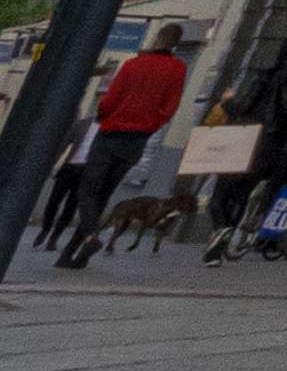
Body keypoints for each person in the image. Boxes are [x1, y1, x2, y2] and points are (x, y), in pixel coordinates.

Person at [52, 25, 189, 269]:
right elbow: (170, 108)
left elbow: (110, 99)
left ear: (157, 38)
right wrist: (149, 126)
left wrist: (105, 116)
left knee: (88, 191)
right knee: (104, 194)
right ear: (176, 43)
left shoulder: (134, 65)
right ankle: (74, 254)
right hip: (137, 141)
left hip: (111, 133)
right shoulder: (178, 69)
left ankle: (90, 237)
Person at [201, 34, 287, 263]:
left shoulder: (263, 76)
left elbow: (242, 107)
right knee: (242, 194)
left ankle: (222, 229)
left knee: (219, 197)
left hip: (247, 140)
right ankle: (220, 247)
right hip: (274, 148)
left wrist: (227, 101)